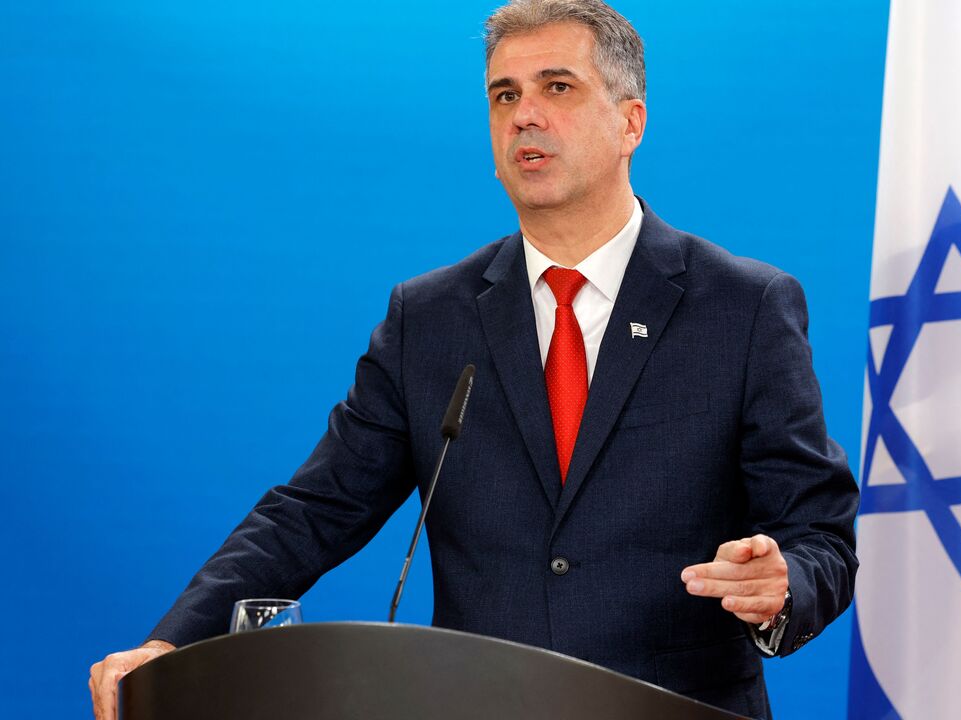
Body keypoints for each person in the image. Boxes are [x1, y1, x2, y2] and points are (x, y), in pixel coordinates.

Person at [88, 1, 859, 718]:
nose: (525, 114)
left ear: (631, 121)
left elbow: (820, 534)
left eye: (556, 86)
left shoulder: (742, 307)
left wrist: (784, 581)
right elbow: (314, 510)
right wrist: (173, 642)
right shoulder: (429, 318)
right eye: (503, 95)